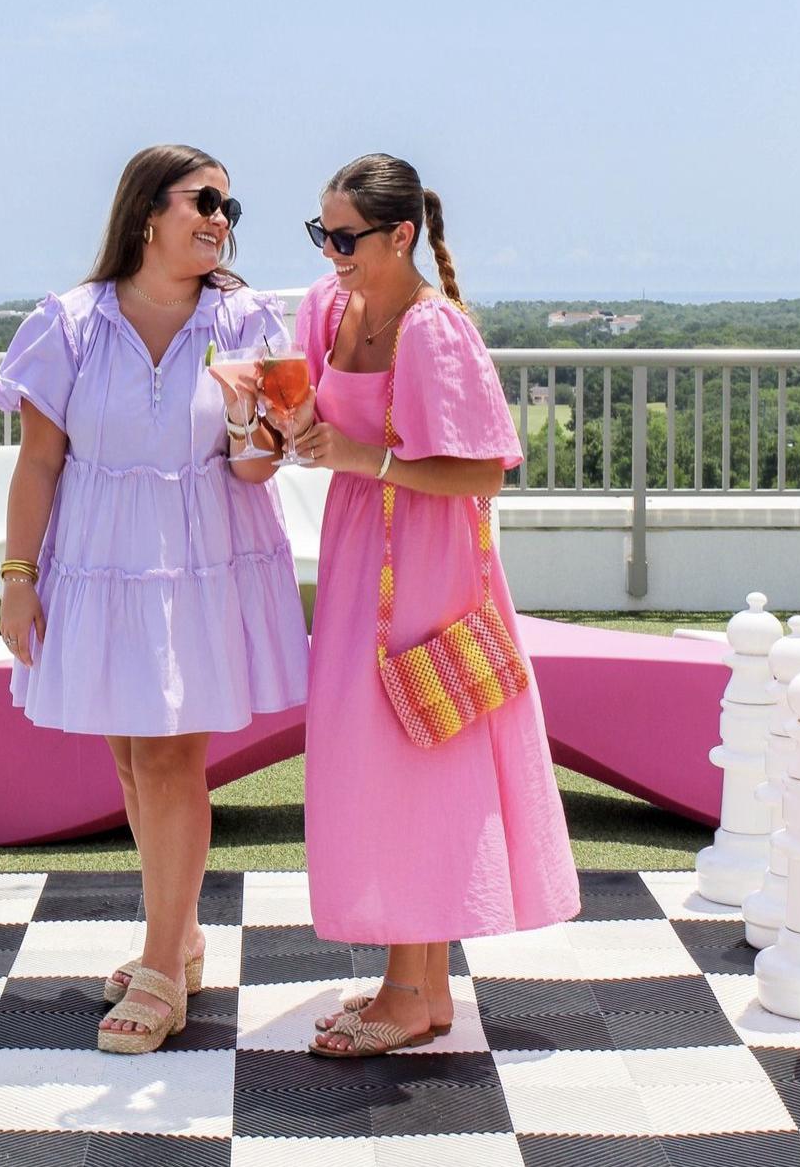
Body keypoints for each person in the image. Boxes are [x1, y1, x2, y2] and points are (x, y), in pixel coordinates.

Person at [0, 144, 308, 1056]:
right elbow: (40, 461)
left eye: (229, 205)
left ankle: (162, 966)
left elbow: (251, 470)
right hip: (98, 560)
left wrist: (267, 424)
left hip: (204, 559)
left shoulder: (247, 318)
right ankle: (185, 935)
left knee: (170, 759)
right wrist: (17, 578)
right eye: (203, 199)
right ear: (144, 213)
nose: (219, 217)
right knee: (133, 757)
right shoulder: (70, 322)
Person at [289, 153, 579, 1058]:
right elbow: (316, 420)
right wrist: (289, 430)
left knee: (414, 762)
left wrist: (360, 458)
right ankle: (421, 989)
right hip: (357, 561)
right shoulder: (329, 309)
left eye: (344, 236)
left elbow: (485, 471)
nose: (330, 250)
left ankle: (408, 993)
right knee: (376, 762)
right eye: (321, 232)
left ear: (399, 233)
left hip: (426, 567)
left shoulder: (433, 329)